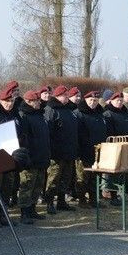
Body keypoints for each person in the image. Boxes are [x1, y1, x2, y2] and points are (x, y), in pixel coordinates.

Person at [0, 81, 29, 227]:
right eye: (7, 101)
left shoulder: (14, 115)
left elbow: (20, 132)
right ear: (0, 100)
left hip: (11, 155)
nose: (10, 104)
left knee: (7, 186)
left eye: (12, 101)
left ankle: (2, 213)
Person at [43, 85, 80, 214]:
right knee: (54, 178)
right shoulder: (51, 109)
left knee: (66, 178)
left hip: (69, 151)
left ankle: (61, 201)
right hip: (57, 152)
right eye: (64, 95)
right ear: (58, 96)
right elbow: (48, 132)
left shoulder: (70, 110)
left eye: (67, 95)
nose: (67, 98)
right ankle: (49, 202)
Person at [17, 89, 51, 222]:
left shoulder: (39, 115)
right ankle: (24, 212)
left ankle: (32, 209)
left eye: (39, 101)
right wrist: (27, 158)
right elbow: (24, 139)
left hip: (41, 157)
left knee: (37, 186)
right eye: (36, 101)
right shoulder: (24, 115)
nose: (39, 103)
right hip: (31, 158)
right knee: (27, 186)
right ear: (28, 101)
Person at [76, 90, 108, 208]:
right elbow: (77, 134)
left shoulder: (100, 113)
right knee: (83, 177)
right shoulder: (79, 113)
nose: (93, 103)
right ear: (86, 100)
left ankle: (94, 199)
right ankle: (81, 199)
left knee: (96, 177)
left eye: (95, 100)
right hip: (84, 151)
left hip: (99, 151)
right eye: (91, 100)